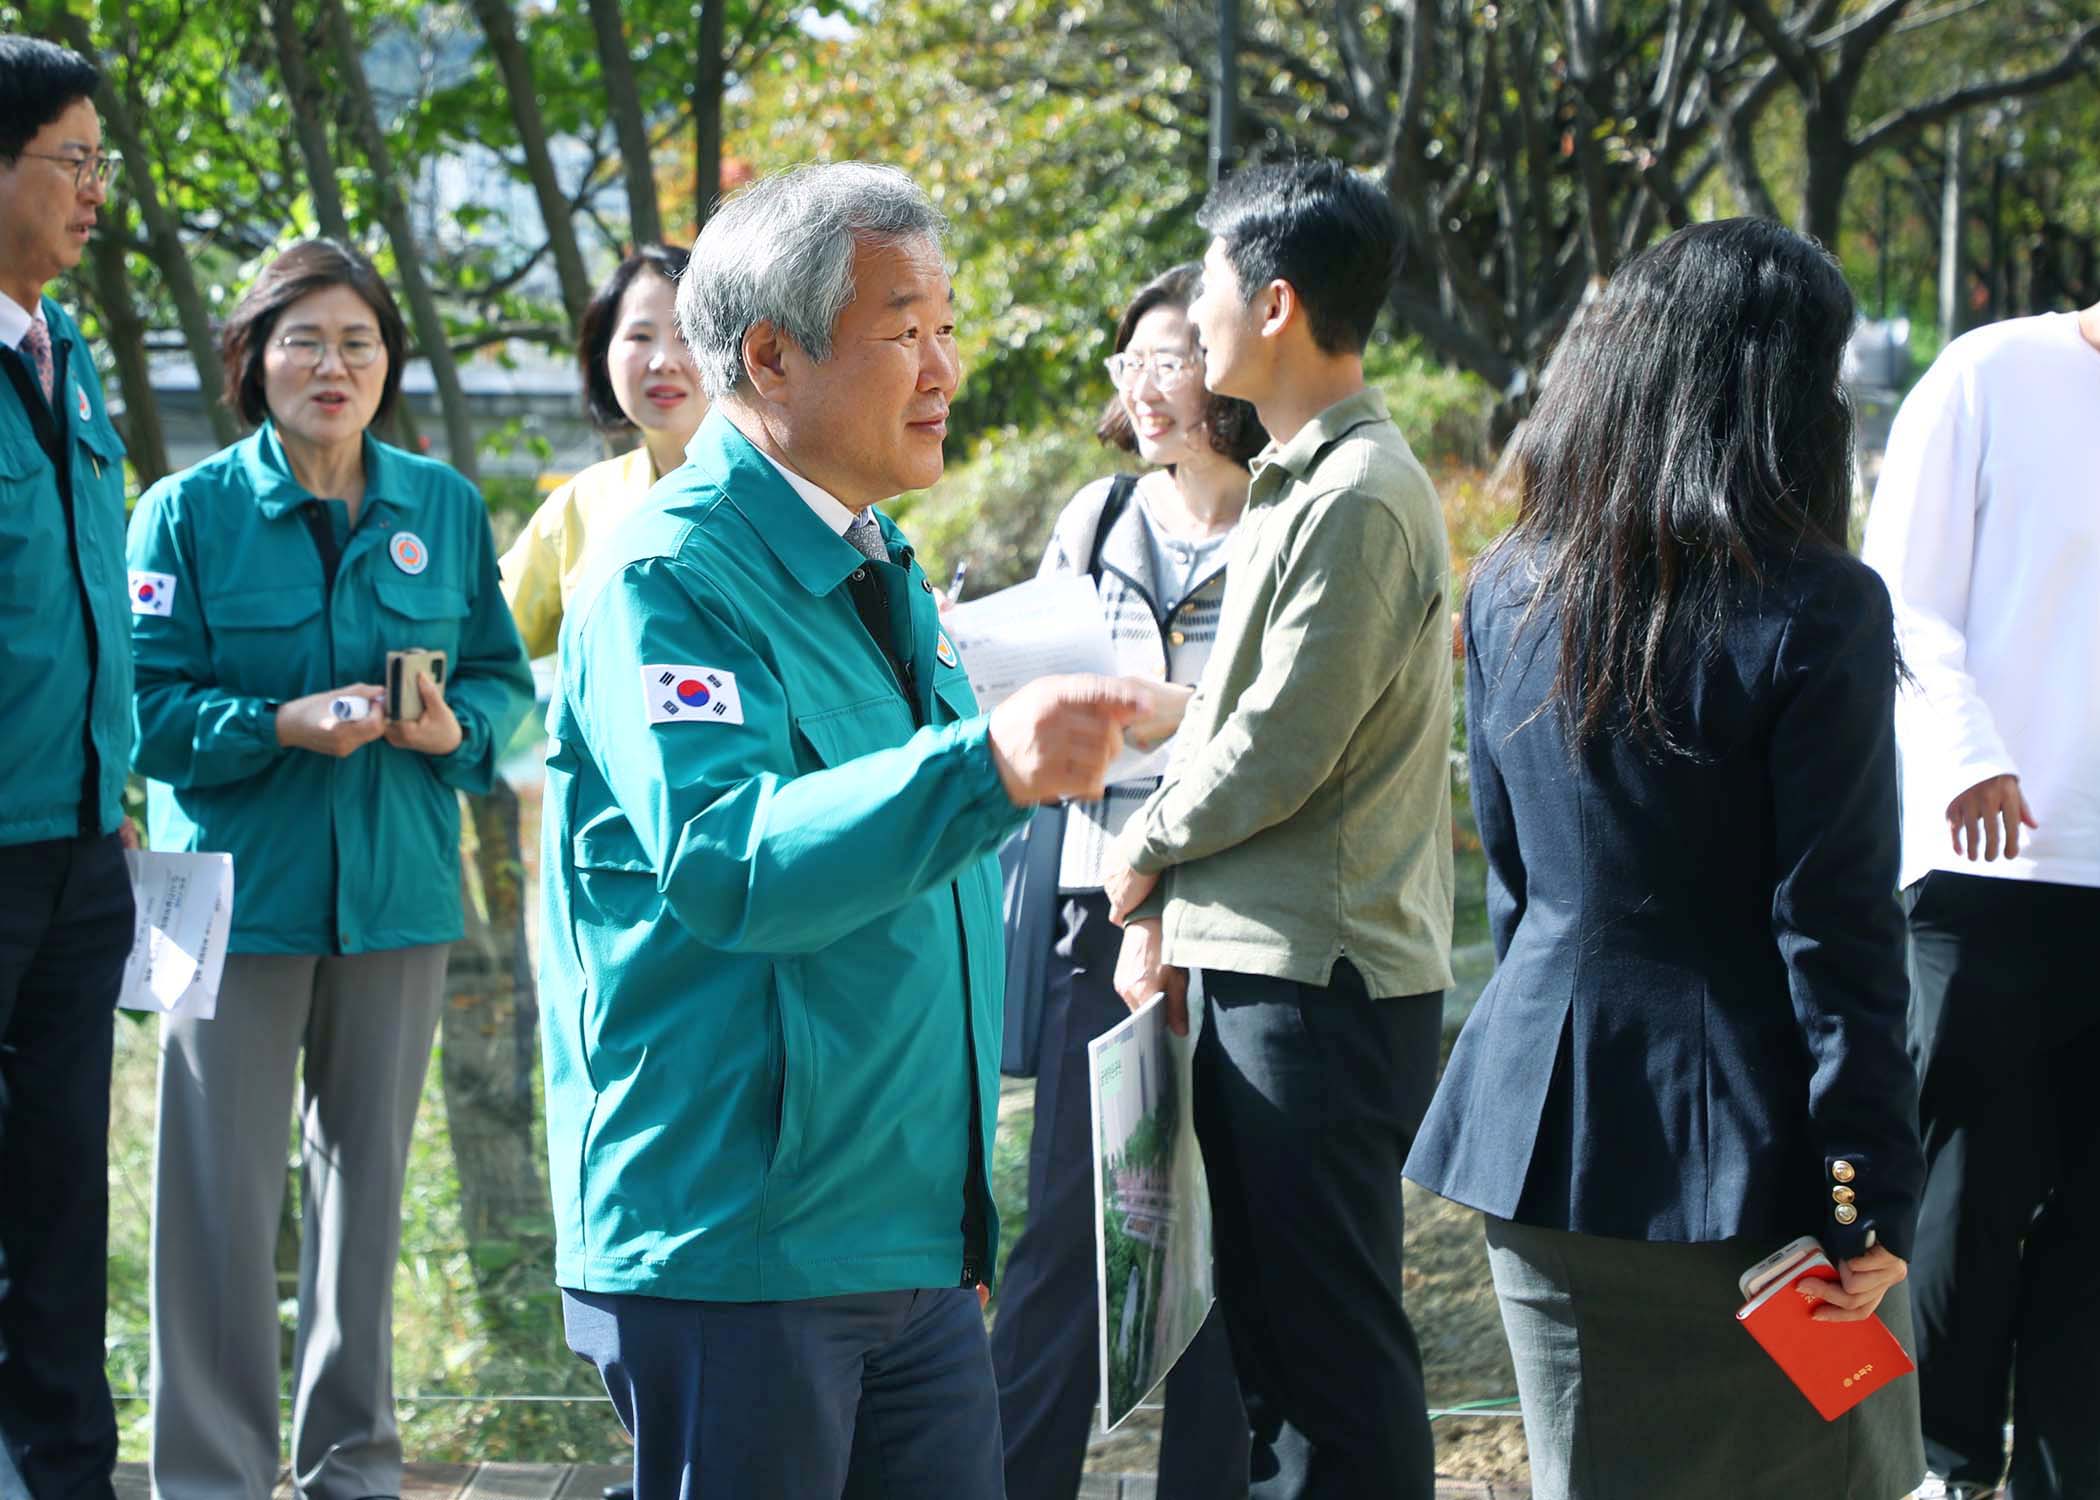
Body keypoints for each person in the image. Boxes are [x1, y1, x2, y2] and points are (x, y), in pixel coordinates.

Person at [540, 161, 1149, 1500]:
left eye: (948, 327)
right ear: (770, 356)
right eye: (903, 331)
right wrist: (988, 763)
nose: (945, 371)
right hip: (739, 1244)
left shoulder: (882, 563)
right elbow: (729, 858)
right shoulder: (666, 578)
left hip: (911, 1239)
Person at [1403, 219, 1926, 1500]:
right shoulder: (1819, 606)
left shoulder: (1509, 585)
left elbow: (1517, 886)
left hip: (1544, 1137)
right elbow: (1838, 932)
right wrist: (1867, 1194)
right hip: (1762, 1175)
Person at [128, 239, 534, 1500]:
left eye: (358, 343)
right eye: (303, 341)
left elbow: (505, 689)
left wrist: (456, 731)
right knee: (216, 1204)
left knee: (366, 1201)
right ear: (252, 360)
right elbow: (139, 709)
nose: (332, 366)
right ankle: (211, 1477)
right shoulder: (183, 512)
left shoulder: (443, 507)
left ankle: (353, 1467)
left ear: (386, 364)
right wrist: (276, 725)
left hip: (398, 897)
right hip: (223, 904)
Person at [1101, 158, 1456, 1499]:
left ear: (1277, 305)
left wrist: (1144, 847)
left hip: (1322, 986)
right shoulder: (1303, 482)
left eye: (1208, 286)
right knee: (1277, 1355)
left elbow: (1279, 745)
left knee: (1330, 1367)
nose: (1193, 315)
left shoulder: (1357, 494)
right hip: (1275, 971)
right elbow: (1248, 722)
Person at [989, 262, 1263, 1500]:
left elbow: (1291, 724)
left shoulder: (1283, 521)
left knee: (1228, 1241)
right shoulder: (1097, 519)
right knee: (1068, 1230)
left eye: (1173, 360)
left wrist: (1176, 714)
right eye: (1131, 363)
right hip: (1094, 910)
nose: (1147, 388)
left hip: (1234, 915)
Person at [1861, 298, 2100, 1500]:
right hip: (1988, 864)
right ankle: (1942, 1469)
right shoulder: (1987, 376)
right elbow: (1902, 600)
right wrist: (1963, 751)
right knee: (1965, 1191)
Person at [0, 35, 133, 1500]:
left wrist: (115, 800)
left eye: (102, 160)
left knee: (58, 1216)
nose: (96, 189)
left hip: (82, 854)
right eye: (73, 159)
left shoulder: (67, 355)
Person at [501, 243, 705, 657]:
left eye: (687, 336)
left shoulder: (791, 489)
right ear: (603, 357)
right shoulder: (582, 503)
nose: (663, 361)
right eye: (640, 336)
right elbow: (483, 635)